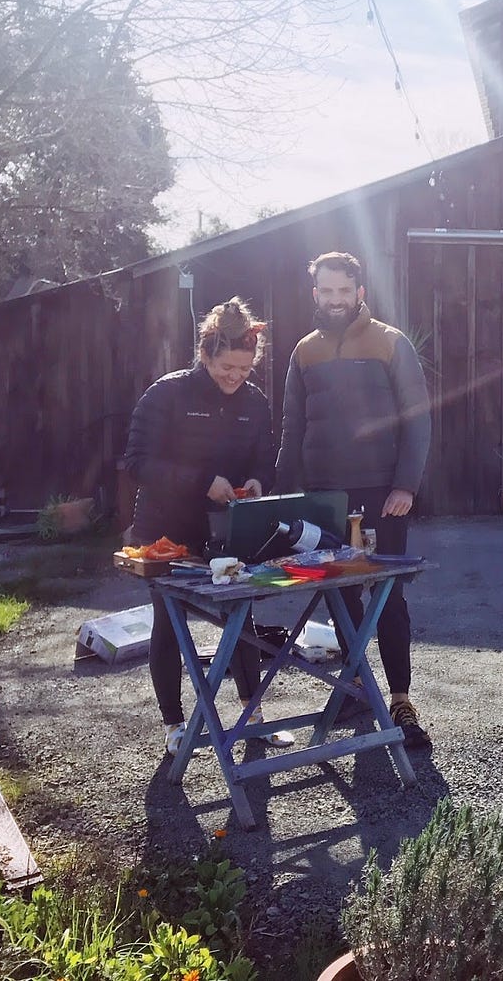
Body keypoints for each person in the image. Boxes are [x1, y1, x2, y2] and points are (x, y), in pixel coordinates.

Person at [275, 251, 433, 749]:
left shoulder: (390, 342)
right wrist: (285, 496)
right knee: (339, 595)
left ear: (360, 292)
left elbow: (417, 417)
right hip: (325, 499)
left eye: (345, 290)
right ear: (315, 294)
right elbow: (292, 428)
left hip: (383, 495)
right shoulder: (303, 352)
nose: (336, 299)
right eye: (327, 291)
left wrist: (406, 484)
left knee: (388, 595)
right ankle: (358, 685)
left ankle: (401, 698)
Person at [123, 297, 294, 755]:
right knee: (169, 622)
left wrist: (258, 481)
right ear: (204, 355)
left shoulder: (255, 402)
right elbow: (137, 463)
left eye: (244, 369)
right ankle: (175, 726)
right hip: (164, 530)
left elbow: (265, 457)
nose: (235, 377)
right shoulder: (166, 394)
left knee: (240, 617)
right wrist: (202, 482)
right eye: (226, 368)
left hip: (226, 529)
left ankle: (252, 716)